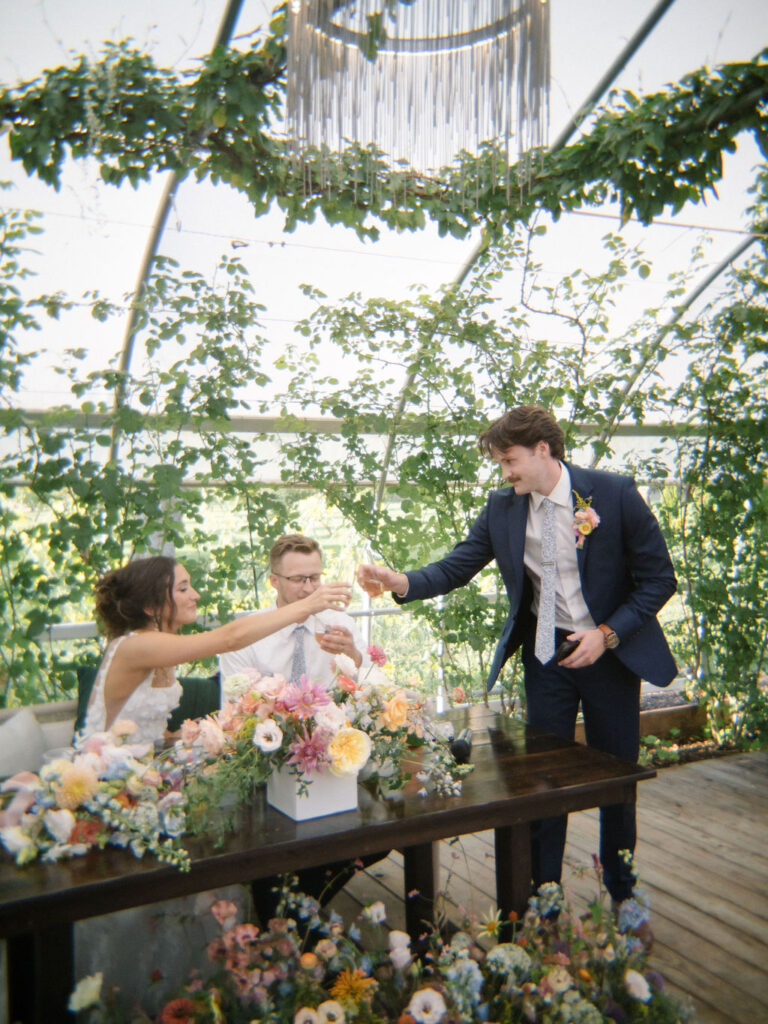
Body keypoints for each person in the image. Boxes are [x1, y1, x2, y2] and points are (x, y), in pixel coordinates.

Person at [357, 405, 677, 941]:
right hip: (545, 657)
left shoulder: (614, 494)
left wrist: (607, 634)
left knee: (616, 780)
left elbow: (658, 579)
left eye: (510, 460)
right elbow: (456, 566)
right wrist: (399, 580)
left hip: (609, 655)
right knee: (542, 784)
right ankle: (544, 902)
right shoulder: (503, 508)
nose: (505, 473)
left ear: (543, 451)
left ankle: (624, 895)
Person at [80, 555, 352, 745]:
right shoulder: (137, 645)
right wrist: (307, 606)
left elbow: (147, 732)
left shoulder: (159, 646)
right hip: (106, 777)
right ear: (150, 607)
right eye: (183, 588)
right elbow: (230, 638)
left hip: (144, 774)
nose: (195, 595)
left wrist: (201, 736)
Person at [219, 534, 370, 692]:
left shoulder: (340, 625)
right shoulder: (247, 636)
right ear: (274, 581)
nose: (309, 588)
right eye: (298, 579)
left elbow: (373, 687)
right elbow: (234, 707)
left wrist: (354, 656)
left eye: (315, 578)